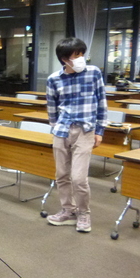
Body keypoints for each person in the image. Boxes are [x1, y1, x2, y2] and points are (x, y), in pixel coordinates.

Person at [45, 37, 107, 233]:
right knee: (62, 175)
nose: (81, 58)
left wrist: (100, 130)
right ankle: (68, 210)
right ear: (65, 59)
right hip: (62, 130)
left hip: (85, 130)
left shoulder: (93, 73)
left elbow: (102, 102)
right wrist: (55, 127)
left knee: (79, 178)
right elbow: (52, 107)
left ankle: (83, 213)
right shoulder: (54, 79)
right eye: (76, 55)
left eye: (82, 54)